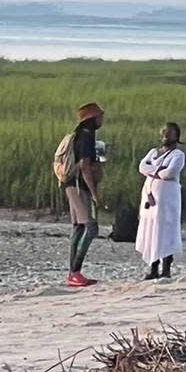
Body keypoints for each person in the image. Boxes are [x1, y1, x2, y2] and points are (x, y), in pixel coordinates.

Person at [136, 123, 185, 279]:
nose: (165, 135)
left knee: (166, 230)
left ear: (176, 135)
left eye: (169, 132)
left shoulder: (178, 155)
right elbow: (141, 167)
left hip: (167, 199)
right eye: (163, 131)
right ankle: (153, 267)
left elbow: (169, 173)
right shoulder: (153, 152)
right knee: (151, 230)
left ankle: (166, 268)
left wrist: (152, 172)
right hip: (150, 198)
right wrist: (158, 171)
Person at [64, 103, 104, 288]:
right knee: (90, 227)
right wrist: (95, 193)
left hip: (70, 185)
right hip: (80, 186)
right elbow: (84, 166)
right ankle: (75, 271)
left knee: (78, 228)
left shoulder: (78, 136)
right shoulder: (87, 137)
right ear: (92, 118)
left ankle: (73, 273)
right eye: (99, 116)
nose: (101, 119)